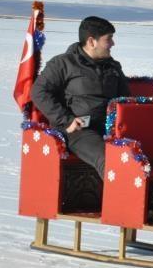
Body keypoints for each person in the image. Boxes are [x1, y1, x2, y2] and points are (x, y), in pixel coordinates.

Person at [31, 16, 129, 178]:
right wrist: (66, 120)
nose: (113, 43)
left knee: (146, 151)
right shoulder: (63, 63)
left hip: (110, 128)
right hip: (78, 130)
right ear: (91, 41)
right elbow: (39, 92)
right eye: (109, 39)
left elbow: (126, 99)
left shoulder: (113, 66)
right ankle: (122, 193)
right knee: (110, 158)